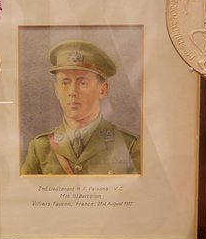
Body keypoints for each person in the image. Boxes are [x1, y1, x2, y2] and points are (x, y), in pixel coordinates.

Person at [20, 40, 140, 175]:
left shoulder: (129, 146)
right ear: (56, 91)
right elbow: (24, 194)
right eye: (65, 83)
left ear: (102, 90)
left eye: (83, 83)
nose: (72, 92)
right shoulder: (40, 149)